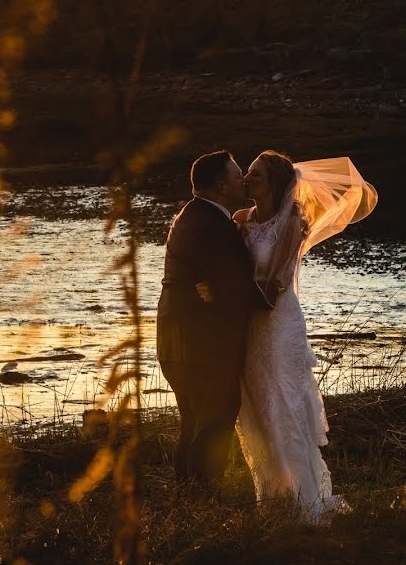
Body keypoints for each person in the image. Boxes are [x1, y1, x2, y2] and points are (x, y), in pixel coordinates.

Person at [233, 150, 377, 524]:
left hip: (277, 322)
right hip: (248, 325)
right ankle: (274, 497)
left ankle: (306, 503)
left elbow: (278, 278)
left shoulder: (292, 222)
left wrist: (247, 300)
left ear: (275, 184)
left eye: (256, 175)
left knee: (285, 403)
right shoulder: (240, 220)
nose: (247, 180)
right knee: (258, 408)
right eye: (247, 173)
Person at [156, 151, 268, 485]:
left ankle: (189, 497)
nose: (243, 180)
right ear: (221, 185)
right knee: (215, 419)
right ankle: (203, 496)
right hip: (199, 345)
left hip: (180, 340)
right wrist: (274, 303)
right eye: (237, 175)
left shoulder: (197, 215)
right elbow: (232, 286)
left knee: (194, 422)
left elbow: (220, 283)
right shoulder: (210, 225)